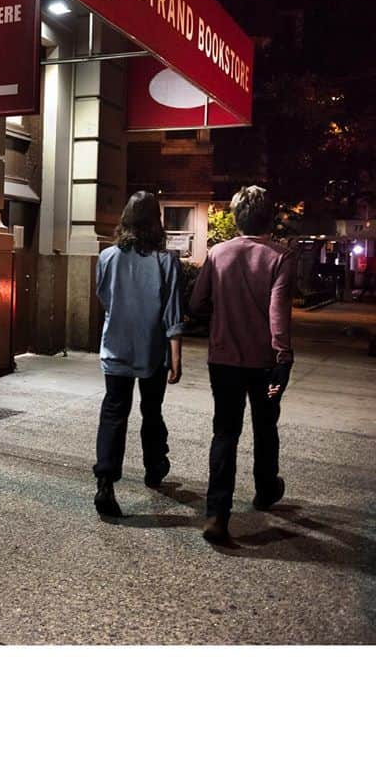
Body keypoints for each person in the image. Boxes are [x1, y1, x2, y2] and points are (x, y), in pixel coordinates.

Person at [189, 185, 296, 545]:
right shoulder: (280, 258)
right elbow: (278, 312)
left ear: (237, 219)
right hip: (265, 363)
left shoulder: (218, 254)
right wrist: (283, 355)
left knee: (225, 431)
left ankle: (217, 513)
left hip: (223, 360)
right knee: (266, 426)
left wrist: (220, 317)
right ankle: (266, 489)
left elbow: (196, 302)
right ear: (269, 218)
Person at [93, 191, 184, 518]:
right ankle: (155, 465)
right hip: (152, 350)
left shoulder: (107, 258)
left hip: (115, 346)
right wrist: (176, 356)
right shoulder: (166, 261)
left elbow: (104, 298)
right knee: (152, 409)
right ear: (155, 223)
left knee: (114, 410)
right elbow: (172, 314)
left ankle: (105, 479)